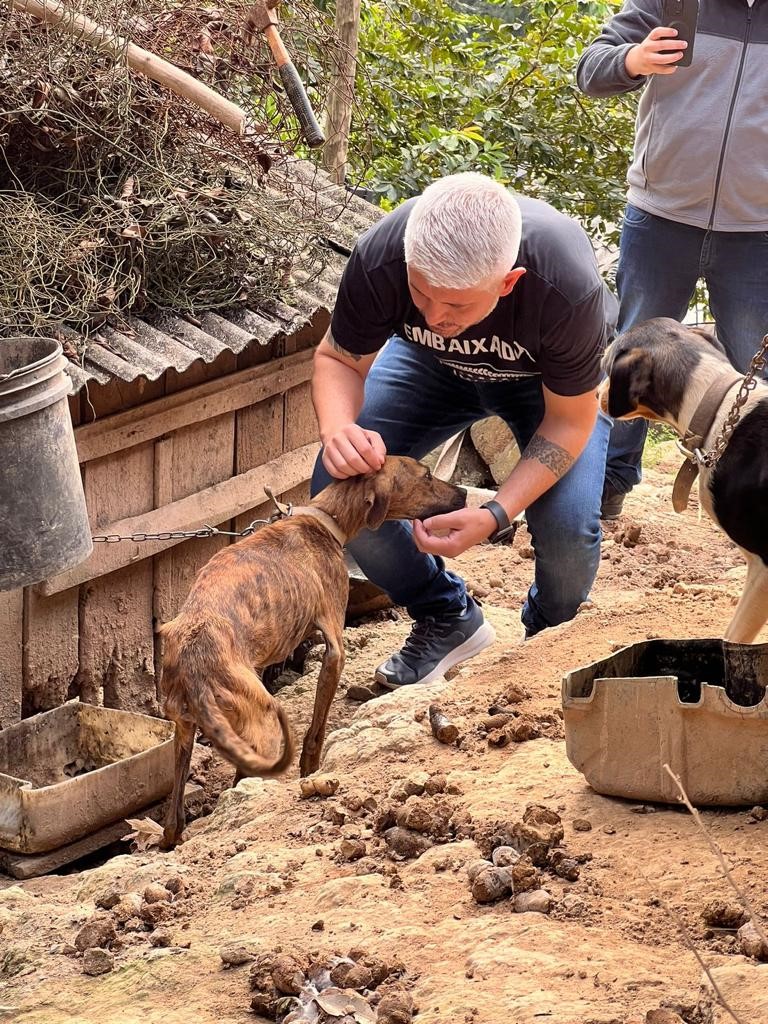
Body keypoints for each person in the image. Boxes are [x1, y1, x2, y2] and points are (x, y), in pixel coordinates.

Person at [310, 172, 616, 688]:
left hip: (546, 389)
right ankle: (447, 615)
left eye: (456, 305)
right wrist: (338, 429)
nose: (433, 315)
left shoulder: (565, 288)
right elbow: (338, 358)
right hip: (429, 369)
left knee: (567, 531)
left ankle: (545, 644)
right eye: (420, 295)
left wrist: (495, 513)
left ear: (508, 282)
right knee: (339, 490)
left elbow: (569, 421)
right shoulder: (382, 255)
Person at [577, 0, 768, 519]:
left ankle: (754, 493)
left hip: (757, 230)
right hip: (660, 216)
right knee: (627, 356)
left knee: (758, 370)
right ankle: (607, 488)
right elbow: (589, 69)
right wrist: (634, 59)